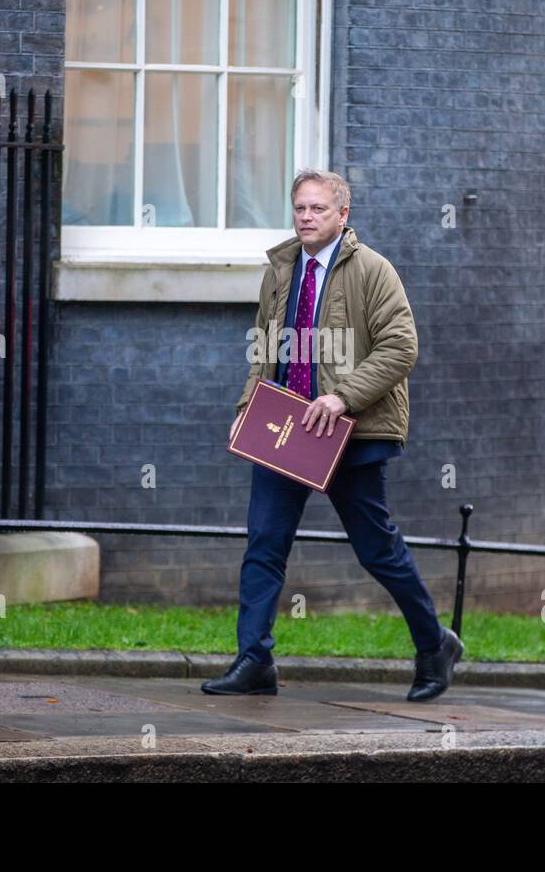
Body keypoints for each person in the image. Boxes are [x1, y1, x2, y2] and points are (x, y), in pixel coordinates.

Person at [203, 169, 463, 701]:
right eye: (299, 208)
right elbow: (265, 347)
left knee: (377, 550)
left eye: (318, 209)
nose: (306, 217)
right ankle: (254, 661)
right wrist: (247, 405)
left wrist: (342, 395)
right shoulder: (280, 270)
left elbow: (401, 346)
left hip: (351, 430)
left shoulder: (372, 270)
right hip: (285, 429)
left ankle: (434, 644)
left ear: (343, 215)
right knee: (264, 545)